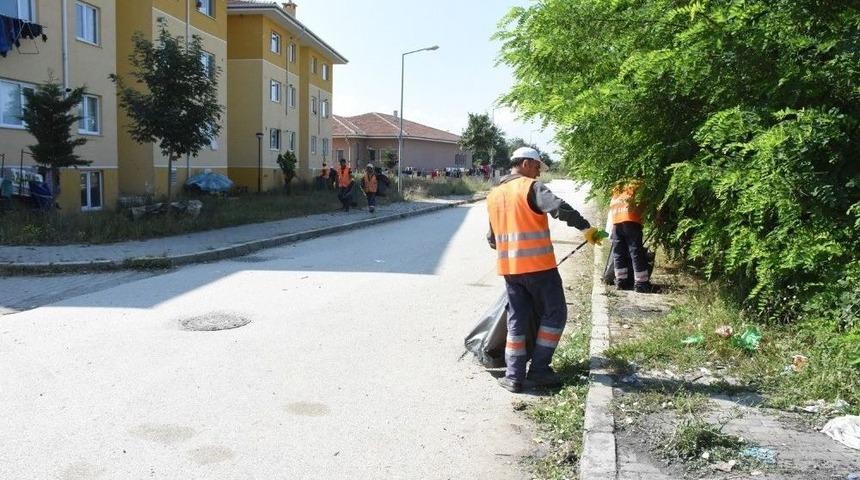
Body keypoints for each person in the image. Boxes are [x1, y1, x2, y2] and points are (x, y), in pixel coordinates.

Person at [487, 147, 603, 393]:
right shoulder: (530, 187)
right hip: (539, 269)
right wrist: (586, 228)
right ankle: (539, 370)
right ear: (527, 163)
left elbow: (492, 239)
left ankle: (514, 376)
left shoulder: (494, 195)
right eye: (538, 166)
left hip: (511, 270)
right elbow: (559, 208)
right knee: (555, 314)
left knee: (517, 319)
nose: (539, 172)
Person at [610, 180, 652, 293]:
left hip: (616, 221)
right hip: (631, 220)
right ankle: (641, 283)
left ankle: (620, 281)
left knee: (618, 252)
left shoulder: (618, 185)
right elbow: (646, 204)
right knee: (635, 251)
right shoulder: (638, 184)